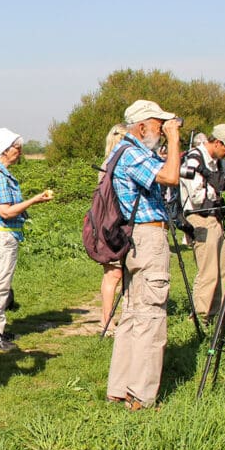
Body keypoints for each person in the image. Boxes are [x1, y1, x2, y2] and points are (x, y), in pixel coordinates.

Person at [105, 99, 182, 410]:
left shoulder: (123, 151)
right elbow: (171, 176)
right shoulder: (132, 153)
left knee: (134, 314)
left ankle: (121, 387)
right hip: (147, 237)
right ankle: (141, 396)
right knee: (151, 315)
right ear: (141, 126)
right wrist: (175, 139)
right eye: (157, 125)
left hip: (135, 237)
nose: (162, 131)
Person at [0, 127, 53, 350]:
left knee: (1, 284)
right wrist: (34, 200)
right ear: (4, 149)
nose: (19, 151)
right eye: (16, 147)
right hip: (1, 237)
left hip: (3, 236)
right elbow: (6, 212)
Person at [180, 124, 225, 325]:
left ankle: (219, 313)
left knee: (224, 269)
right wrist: (217, 186)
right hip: (200, 217)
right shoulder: (194, 159)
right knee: (208, 271)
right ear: (217, 142)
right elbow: (196, 196)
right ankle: (200, 317)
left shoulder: (214, 161)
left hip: (215, 217)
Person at [98, 124, 128, 331]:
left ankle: (117, 318)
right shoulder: (112, 165)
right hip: (114, 226)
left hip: (110, 225)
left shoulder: (106, 164)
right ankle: (107, 320)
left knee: (120, 273)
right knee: (114, 274)